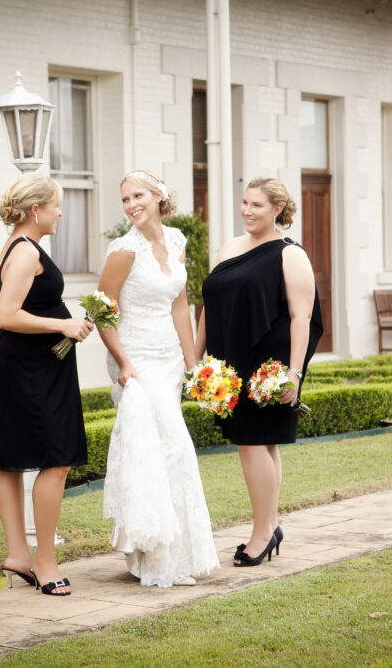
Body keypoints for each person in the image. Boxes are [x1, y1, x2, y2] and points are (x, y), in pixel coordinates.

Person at [96, 169, 220, 587]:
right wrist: (123, 362)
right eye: (125, 199)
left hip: (168, 359)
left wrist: (192, 364)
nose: (131, 205)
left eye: (138, 196)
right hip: (136, 359)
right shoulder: (123, 251)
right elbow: (102, 311)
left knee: (166, 448)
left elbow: (180, 306)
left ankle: (171, 553)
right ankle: (153, 556)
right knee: (163, 446)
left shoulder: (177, 241)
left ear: (158, 197)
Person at [195, 176, 323, 567]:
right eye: (245, 203)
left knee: (252, 443)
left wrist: (294, 374)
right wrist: (195, 363)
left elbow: (302, 316)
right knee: (260, 443)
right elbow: (208, 306)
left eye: (257, 205)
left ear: (277, 210)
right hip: (229, 360)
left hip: (268, 361)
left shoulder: (290, 253)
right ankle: (270, 527)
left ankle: (262, 532)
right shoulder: (229, 247)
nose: (247, 211)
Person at [0, 172, 95, 596]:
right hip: (26, 368)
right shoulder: (26, 252)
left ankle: (18, 554)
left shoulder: (22, 245)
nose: (61, 212)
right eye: (56, 205)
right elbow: (6, 314)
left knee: (14, 458)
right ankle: (44, 562)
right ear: (36, 210)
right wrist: (64, 325)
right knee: (56, 457)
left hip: (29, 364)